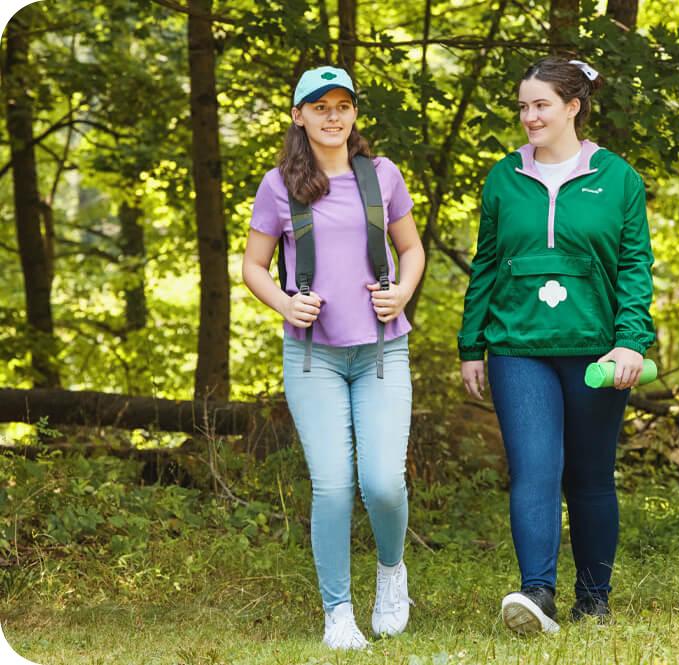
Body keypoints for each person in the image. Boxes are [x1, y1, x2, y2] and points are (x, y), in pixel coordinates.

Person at [457, 56, 655, 633]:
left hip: (597, 349)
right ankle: (537, 594)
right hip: (517, 347)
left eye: (541, 104)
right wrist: (472, 345)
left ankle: (593, 599)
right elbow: (487, 264)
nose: (529, 116)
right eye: (523, 106)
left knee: (590, 475)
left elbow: (635, 268)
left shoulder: (618, 178)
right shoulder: (503, 178)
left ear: (573, 107)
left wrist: (631, 342)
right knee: (534, 469)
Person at [242, 66, 425, 650]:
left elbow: (411, 248)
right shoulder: (278, 185)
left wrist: (403, 292)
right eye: (319, 106)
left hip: (381, 353)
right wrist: (282, 303)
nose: (332, 115)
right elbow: (252, 266)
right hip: (312, 359)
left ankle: (392, 576)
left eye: (342, 105)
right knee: (333, 487)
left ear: (353, 114)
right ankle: (338, 614)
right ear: (298, 116)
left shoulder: (382, 176)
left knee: (384, 484)